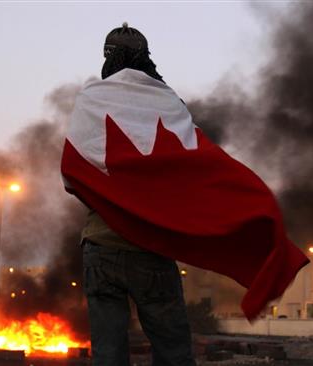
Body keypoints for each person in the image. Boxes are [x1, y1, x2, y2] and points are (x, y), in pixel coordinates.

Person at [79, 23, 196, 366]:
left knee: (108, 355)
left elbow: (75, 172)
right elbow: (189, 167)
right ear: (146, 57)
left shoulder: (92, 100)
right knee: (174, 352)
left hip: (100, 247)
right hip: (152, 245)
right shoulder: (170, 101)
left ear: (107, 57)